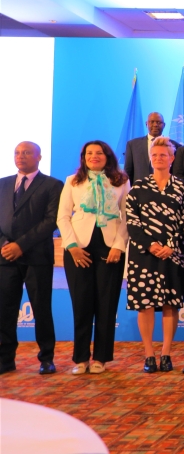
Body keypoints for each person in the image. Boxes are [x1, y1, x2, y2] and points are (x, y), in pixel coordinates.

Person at [57, 140, 130, 375]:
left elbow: (127, 217)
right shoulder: (72, 181)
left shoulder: (121, 180)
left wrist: (119, 246)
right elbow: (63, 217)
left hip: (109, 248)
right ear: (83, 157)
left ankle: (101, 358)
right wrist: (72, 246)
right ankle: (80, 358)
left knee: (107, 305)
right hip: (79, 249)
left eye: (99, 153)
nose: (94, 156)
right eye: (89, 153)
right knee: (81, 304)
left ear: (107, 156)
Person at [125, 137, 184, 374]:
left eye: (164, 155)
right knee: (146, 304)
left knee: (170, 305)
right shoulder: (138, 188)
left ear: (172, 158)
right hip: (144, 255)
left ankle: (166, 354)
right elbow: (132, 224)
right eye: (155, 155)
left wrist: (172, 246)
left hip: (174, 254)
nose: (159, 158)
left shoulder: (183, 187)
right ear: (150, 158)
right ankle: (149, 354)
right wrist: (151, 245)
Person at [0, 142, 63, 375]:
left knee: (41, 309)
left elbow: (51, 221)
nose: (20, 156)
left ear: (39, 156)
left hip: (37, 257)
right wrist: (6, 246)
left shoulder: (53, 185)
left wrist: (21, 245)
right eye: (17, 152)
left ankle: (46, 358)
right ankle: (5, 359)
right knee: (5, 310)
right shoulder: (3, 184)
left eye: (26, 152)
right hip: (5, 258)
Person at [124, 112, 179, 183]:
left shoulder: (175, 146)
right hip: (140, 190)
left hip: (167, 190)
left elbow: (177, 172)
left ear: (164, 125)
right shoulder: (132, 145)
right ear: (146, 124)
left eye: (158, 122)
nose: (155, 125)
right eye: (152, 122)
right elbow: (128, 171)